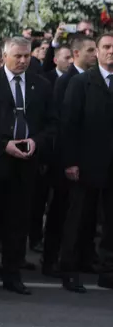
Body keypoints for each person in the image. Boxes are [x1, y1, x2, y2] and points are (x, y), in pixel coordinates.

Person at [0, 37, 56, 295]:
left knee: (17, 223)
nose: (23, 60)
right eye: (17, 56)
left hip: (25, 166)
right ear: (4, 56)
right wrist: (3, 145)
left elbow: (51, 123)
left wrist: (35, 142)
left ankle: (12, 274)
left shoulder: (42, 85)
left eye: (27, 56)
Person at [60, 33, 113, 292]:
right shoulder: (82, 82)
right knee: (78, 217)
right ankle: (69, 269)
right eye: (106, 47)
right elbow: (69, 124)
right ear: (98, 52)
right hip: (86, 162)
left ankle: (107, 270)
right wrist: (70, 161)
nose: (111, 51)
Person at [42, 34, 98, 276]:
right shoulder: (68, 81)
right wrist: (65, 161)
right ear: (76, 54)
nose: (95, 55)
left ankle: (83, 256)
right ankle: (52, 259)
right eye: (90, 50)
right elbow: (63, 123)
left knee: (86, 213)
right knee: (61, 212)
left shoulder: (93, 79)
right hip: (65, 159)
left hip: (89, 159)